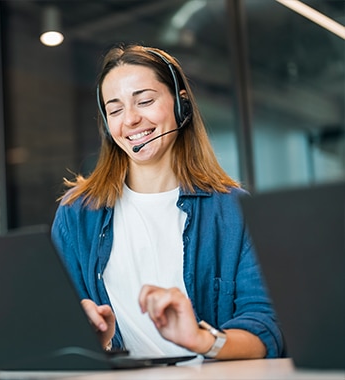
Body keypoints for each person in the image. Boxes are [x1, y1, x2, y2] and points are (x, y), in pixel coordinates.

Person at [51, 44, 284, 360]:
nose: (131, 119)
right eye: (115, 109)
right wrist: (89, 336)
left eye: (144, 101)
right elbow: (56, 333)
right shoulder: (77, 213)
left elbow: (266, 328)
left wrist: (202, 339)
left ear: (181, 105)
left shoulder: (234, 212)